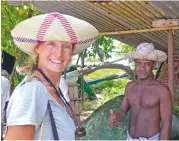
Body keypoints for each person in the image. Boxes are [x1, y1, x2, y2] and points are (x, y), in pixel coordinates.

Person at [5, 12, 98, 140]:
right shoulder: (33, 91)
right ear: (38, 48)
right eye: (51, 44)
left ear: (72, 52)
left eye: (66, 46)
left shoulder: (54, 89)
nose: (59, 54)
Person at [108, 42, 173, 140]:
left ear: (154, 65)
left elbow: (167, 124)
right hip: (129, 137)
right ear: (135, 64)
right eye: (138, 63)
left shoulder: (162, 90)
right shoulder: (130, 86)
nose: (142, 68)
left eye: (147, 64)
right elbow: (122, 111)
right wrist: (115, 117)